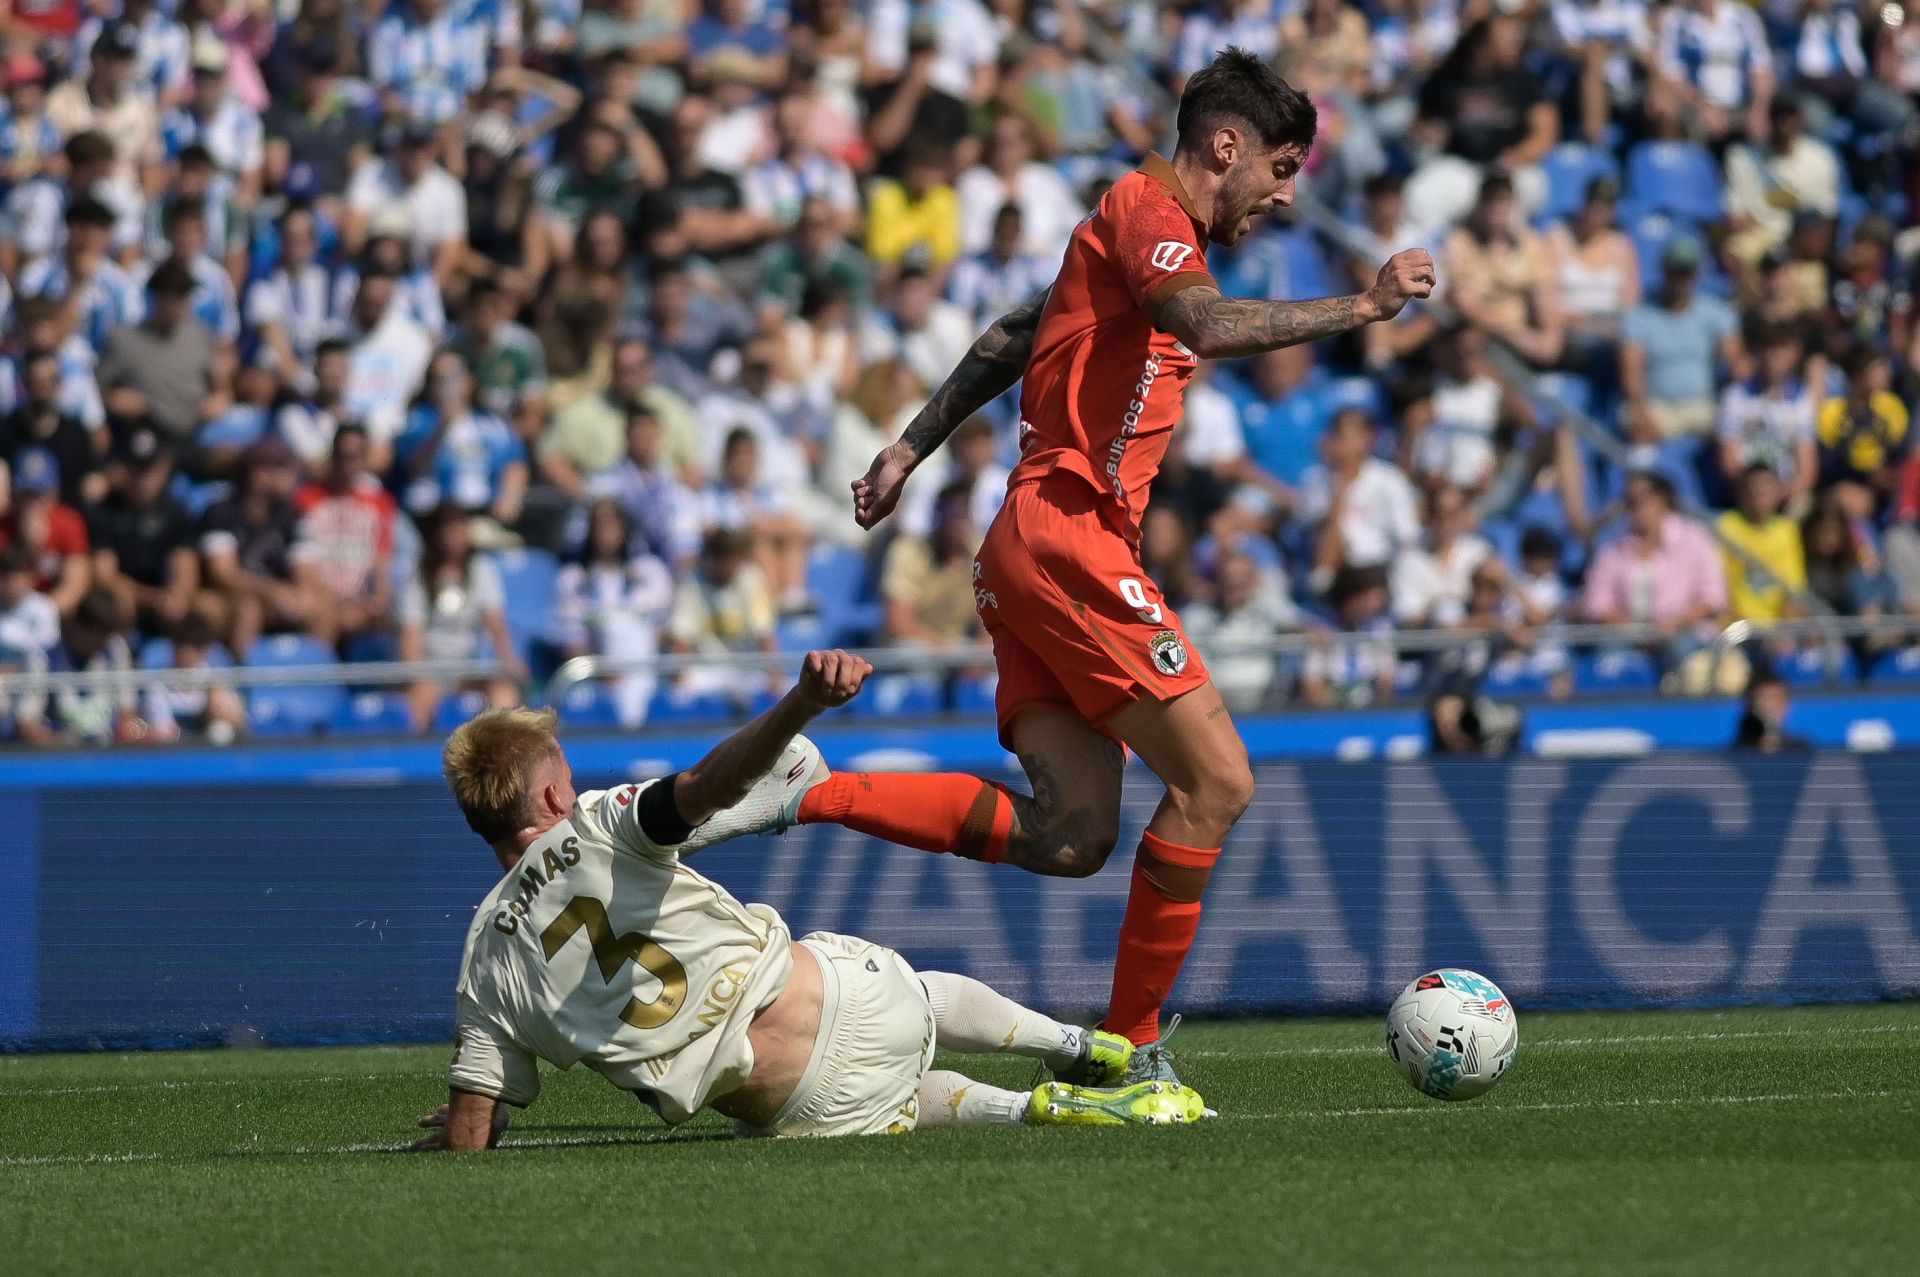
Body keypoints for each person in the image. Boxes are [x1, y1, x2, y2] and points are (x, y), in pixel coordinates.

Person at [848, 48, 1433, 1067]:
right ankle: (1129, 1047)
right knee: (1218, 780)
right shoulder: (1148, 217)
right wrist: (1363, 308)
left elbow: (1008, 335)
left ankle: (805, 787)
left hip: (1036, 543)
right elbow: (1202, 322)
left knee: (1075, 835)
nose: (1284, 197)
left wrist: (908, 445)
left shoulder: (1114, 239)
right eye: (1282, 169)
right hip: (1065, 530)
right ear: (1225, 146)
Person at [412, 650, 1205, 1151]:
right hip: (851, 1001)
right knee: (917, 992)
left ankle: (1033, 1107)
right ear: (552, 791)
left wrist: (473, 1122)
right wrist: (798, 704)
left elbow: (473, 1128)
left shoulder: (486, 958)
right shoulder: (599, 823)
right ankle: (1083, 1045)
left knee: (893, 1107)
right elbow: (706, 787)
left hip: (798, 1103)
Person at [1730, 669, 1810, 752]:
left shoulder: (1805, 754)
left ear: (1787, 706)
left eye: (1777, 699)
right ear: (1749, 706)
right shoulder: (1730, 758)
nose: (1771, 706)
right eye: (1764, 700)